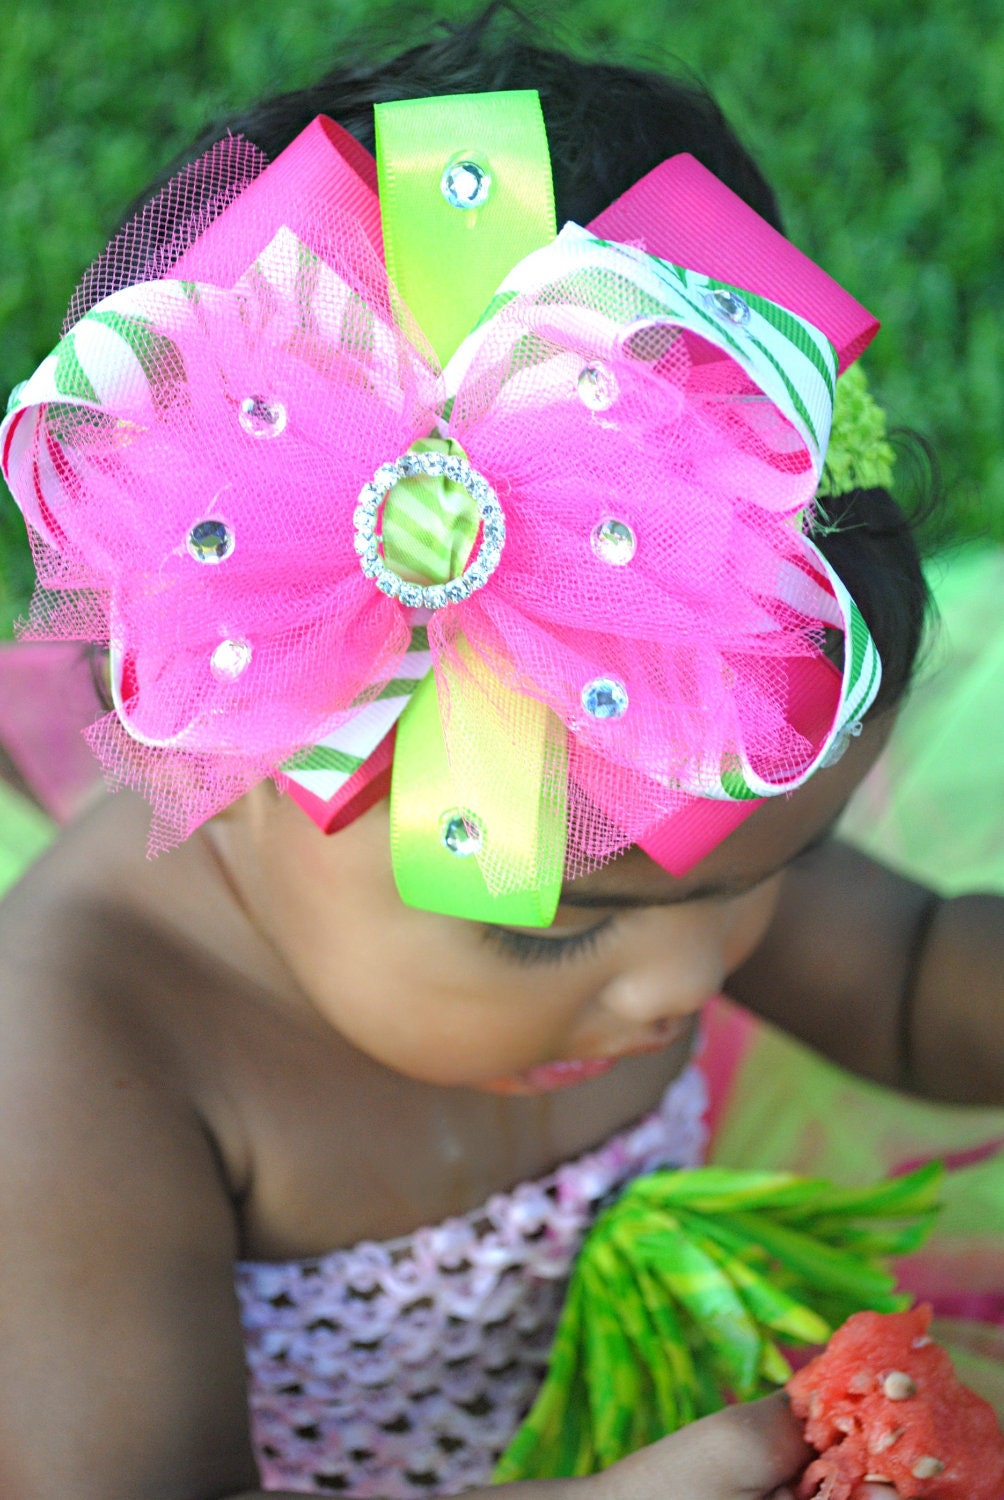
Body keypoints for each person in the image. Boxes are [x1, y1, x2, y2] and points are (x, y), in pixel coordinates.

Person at [0, 8, 999, 1500]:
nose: (688, 982)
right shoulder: (87, 1060)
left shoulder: (652, 816)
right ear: (257, 773)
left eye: (760, 874)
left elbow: (916, 979)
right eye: (560, 928)